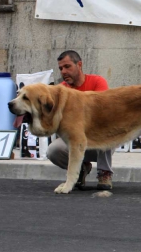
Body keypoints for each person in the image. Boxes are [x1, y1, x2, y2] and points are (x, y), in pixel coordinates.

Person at [46, 50, 114, 190]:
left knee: (107, 129)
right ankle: (81, 170)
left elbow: (103, 112)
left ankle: (104, 173)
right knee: (53, 150)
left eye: (67, 66)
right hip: (75, 139)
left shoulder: (97, 82)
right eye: (60, 68)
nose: (63, 71)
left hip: (96, 137)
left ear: (79, 65)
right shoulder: (60, 90)